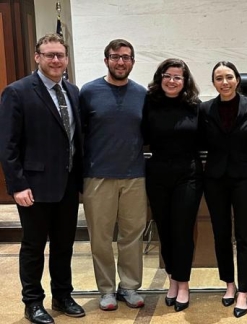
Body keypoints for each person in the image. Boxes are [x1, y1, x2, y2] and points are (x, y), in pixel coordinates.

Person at [0, 33, 85, 324]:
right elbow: (7, 144)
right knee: (34, 247)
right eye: (49, 54)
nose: (55, 60)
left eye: (60, 55)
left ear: (66, 58)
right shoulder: (17, 91)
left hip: (68, 184)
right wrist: (17, 184)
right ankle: (33, 302)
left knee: (64, 246)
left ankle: (62, 296)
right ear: (38, 57)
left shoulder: (73, 92)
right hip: (33, 187)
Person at [80, 39, 147, 311]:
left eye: (126, 57)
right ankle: (106, 290)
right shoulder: (88, 92)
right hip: (98, 176)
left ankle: (129, 287)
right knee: (101, 237)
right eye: (115, 57)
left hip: (135, 176)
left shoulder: (142, 94)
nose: (121, 62)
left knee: (132, 235)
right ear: (106, 59)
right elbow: (78, 134)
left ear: (133, 61)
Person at [199, 61, 247, 318]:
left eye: (228, 77)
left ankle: (245, 290)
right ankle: (229, 284)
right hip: (214, 179)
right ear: (213, 83)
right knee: (221, 233)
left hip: (245, 178)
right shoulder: (205, 109)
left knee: (245, 236)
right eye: (218, 78)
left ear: (237, 79)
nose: (224, 82)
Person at [142, 58, 203, 312]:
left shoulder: (195, 106)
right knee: (164, 230)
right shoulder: (149, 103)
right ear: (160, 77)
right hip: (157, 173)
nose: (172, 81)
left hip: (188, 173)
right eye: (168, 75)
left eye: (178, 77)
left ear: (185, 81)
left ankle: (184, 282)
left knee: (182, 230)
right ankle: (172, 279)